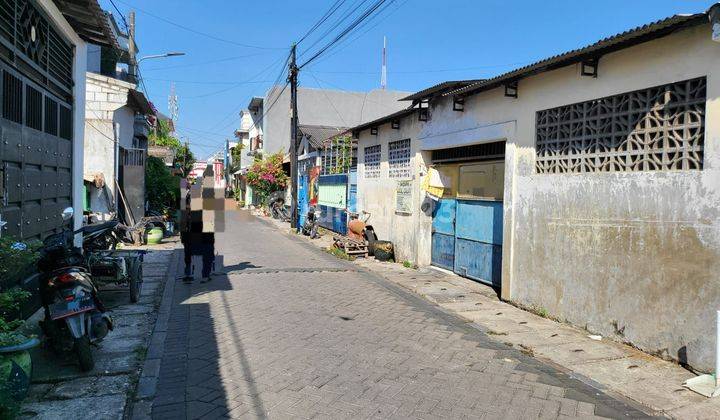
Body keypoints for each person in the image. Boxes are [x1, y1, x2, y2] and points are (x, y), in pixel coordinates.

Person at [180, 167, 217, 283]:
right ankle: (204, 274)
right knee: (207, 248)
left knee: (189, 248)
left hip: (192, 223)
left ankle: (188, 273)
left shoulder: (193, 190)